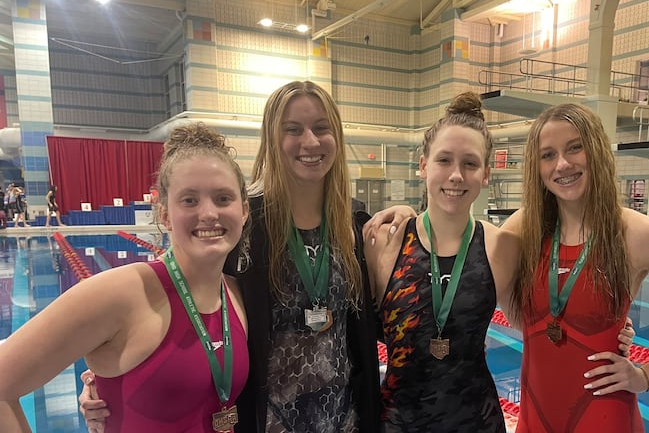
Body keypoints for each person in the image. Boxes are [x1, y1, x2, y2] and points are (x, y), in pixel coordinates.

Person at [79, 81, 415, 432]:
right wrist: (104, 383)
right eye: (293, 130)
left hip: (346, 420)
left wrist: (408, 215)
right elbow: (183, 303)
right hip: (267, 421)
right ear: (273, 138)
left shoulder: (352, 224)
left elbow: (380, 323)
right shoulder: (242, 223)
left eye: (321, 128)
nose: (310, 142)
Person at [364, 93, 635, 432]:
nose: (456, 175)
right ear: (423, 166)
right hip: (397, 422)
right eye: (444, 160)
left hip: (477, 421)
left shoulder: (502, 246)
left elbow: (535, 321)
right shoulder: (386, 243)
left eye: (470, 164)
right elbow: (359, 332)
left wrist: (610, 332)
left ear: (486, 173)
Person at [0, 123, 251, 432]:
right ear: (164, 215)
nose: (209, 213)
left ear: (244, 211)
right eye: (189, 200)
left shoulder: (238, 295)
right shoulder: (119, 292)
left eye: (223, 198)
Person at [501, 103, 649, 432]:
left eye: (575, 147)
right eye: (548, 155)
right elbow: (490, 287)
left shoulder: (640, 235)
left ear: (596, 149)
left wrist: (646, 375)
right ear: (536, 167)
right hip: (535, 416)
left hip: (603, 416)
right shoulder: (523, 228)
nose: (563, 164)